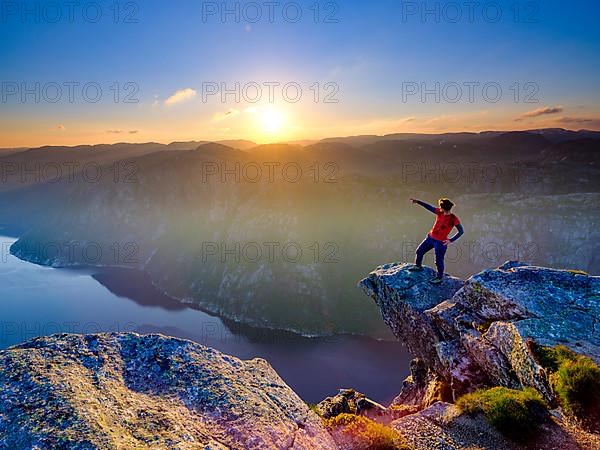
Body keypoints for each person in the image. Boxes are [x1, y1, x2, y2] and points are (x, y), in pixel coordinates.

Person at [408, 198, 464, 284]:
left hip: (441, 242)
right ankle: (418, 266)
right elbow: (429, 207)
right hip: (430, 238)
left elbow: (461, 231)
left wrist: (450, 240)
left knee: (438, 261)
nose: (439, 208)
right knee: (419, 251)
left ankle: (439, 277)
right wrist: (418, 202)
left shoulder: (453, 218)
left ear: (443, 208)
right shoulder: (440, 212)